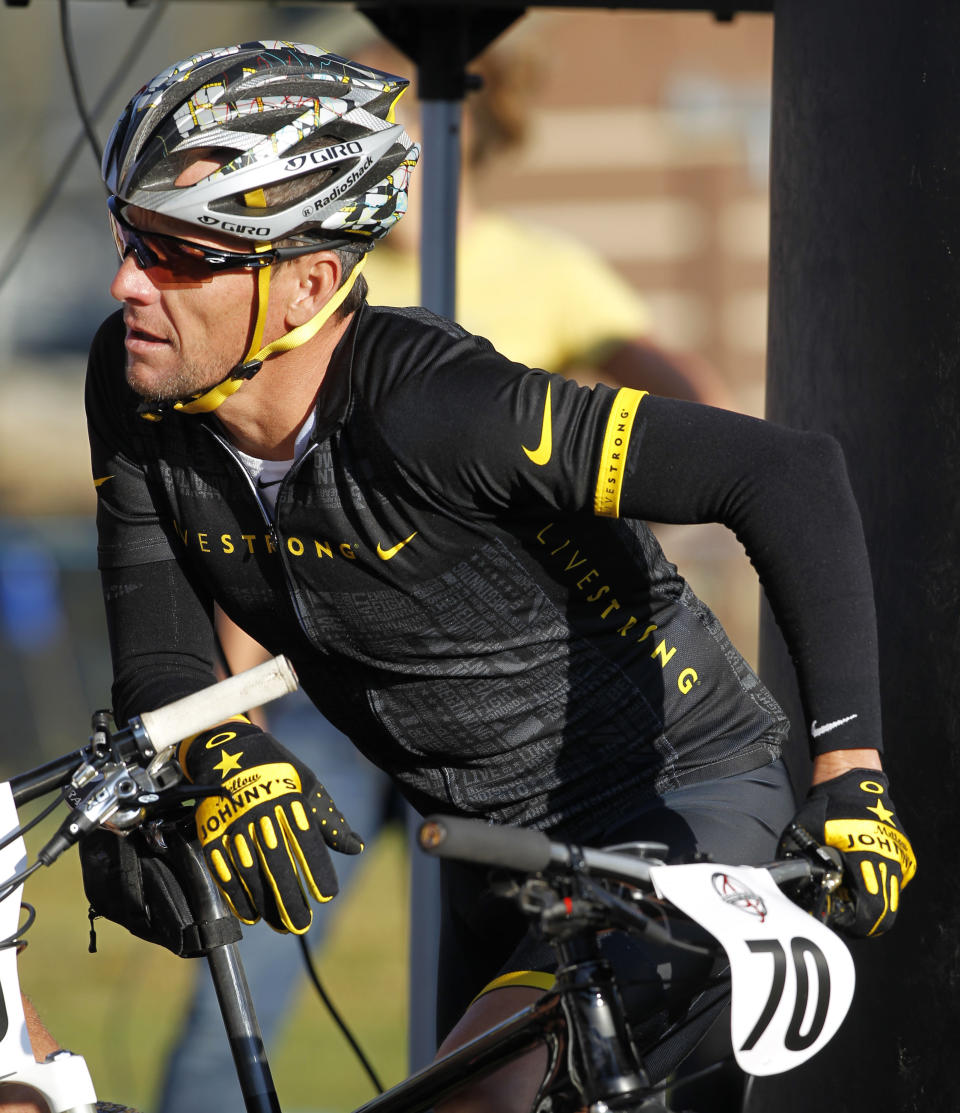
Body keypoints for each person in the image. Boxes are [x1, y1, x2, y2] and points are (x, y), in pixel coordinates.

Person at [58, 39, 912, 1113]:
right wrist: (222, 745)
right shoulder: (134, 387)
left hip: (671, 813)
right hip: (485, 850)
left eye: (181, 255)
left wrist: (852, 774)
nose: (128, 281)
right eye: (132, 237)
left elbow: (784, 472)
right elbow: (163, 653)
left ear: (307, 283)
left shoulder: (439, 407)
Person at [154, 36, 736, 1113]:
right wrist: (233, 707)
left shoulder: (544, 266)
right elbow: (248, 517)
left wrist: (623, 505)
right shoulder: (297, 264)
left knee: (526, 997)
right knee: (256, 959)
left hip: (492, 684)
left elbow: (681, 394)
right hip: (323, 686)